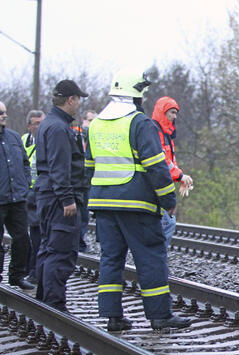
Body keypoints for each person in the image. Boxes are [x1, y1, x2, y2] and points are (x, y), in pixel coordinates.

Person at [86, 67, 192, 331]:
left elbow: (88, 166)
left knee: (111, 259)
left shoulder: (97, 124)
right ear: (137, 95)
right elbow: (156, 166)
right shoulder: (139, 122)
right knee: (151, 259)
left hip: (103, 204)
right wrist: (168, 200)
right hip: (137, 205)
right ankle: (160, 316)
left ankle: (113, 317)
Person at [33, 80, 90, 310]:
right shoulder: (58, 128)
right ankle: (55, 306)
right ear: (70, 100)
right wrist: (67, 199)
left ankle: (44, 299)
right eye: (77, 100)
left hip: (47, 195)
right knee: (61, 252)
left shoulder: (49, 123)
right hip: (59, 200)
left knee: (48, 248)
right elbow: (60, 167)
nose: (78, 104)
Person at [0, 101, 36, 290]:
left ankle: (17, 275)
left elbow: (24, 163)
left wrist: (24, 185)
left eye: (5, 112)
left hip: (17, 199)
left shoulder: (14, 137)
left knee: (22, 239)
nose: (4, 116)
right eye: (0, 113)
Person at [151, 96, 193, 248]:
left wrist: (179, 178)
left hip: (162, 186)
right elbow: (161, 159)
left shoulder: (165, 133)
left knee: (167, 223)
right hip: (155, 189)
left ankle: (157, 259)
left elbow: (170, 162)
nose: (174, 116)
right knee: (166, 224)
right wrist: (180, 176)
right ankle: (157, 260)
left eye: (176, 113)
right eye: (172, 112)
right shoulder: (155, 131)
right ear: (163, 112)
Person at [21, 110, 44, 284]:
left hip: (40, 192)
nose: (38, 126)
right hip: (25, 193)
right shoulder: (23, 140)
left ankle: (35, 272)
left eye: (40, 122)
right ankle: (28, 269)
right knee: (25, 235)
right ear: (29, 125)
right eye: (35, 123)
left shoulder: (47, 140)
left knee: (37, 234)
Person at [77, 110, 97, 251]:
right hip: (76, 180)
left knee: (84, 214)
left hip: (88, 181)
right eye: (90, 120)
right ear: (83, 120)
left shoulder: (95, 137)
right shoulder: (75, 135)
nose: (92, 124)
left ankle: (80, 241)